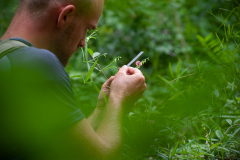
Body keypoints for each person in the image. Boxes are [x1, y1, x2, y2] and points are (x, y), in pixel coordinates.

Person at [0, 0, 147, 159]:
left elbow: (68, 150)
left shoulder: (8, 58)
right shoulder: (35, 63)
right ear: (65, 17)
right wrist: (119, 99)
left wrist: (101, 110)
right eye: (87, 29)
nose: (83, 43)